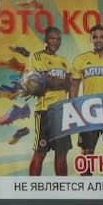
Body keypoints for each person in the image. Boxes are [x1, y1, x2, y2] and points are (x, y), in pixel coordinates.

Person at [70, 24, 103, 173]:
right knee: (87, 155)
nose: (98, 40)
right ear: (90, 39)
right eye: (95, 37)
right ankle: (87, 195)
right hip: (89, 114)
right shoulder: (81, 60)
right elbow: (74, 87)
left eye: (101, 37)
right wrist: (74, 111)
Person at [28, 26, 71, 176]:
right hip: (45, 110)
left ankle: (62, 190)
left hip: (62, 112)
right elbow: (46, 81)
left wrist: (57, 81)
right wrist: (61, 81)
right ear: (45, 39)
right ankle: (33, 189)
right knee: (40, 152)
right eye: (52, 38)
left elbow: (69, 84)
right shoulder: (37, 56)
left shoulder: (65, 61)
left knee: (61, 154)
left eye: (58, 39)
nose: (56, 41)